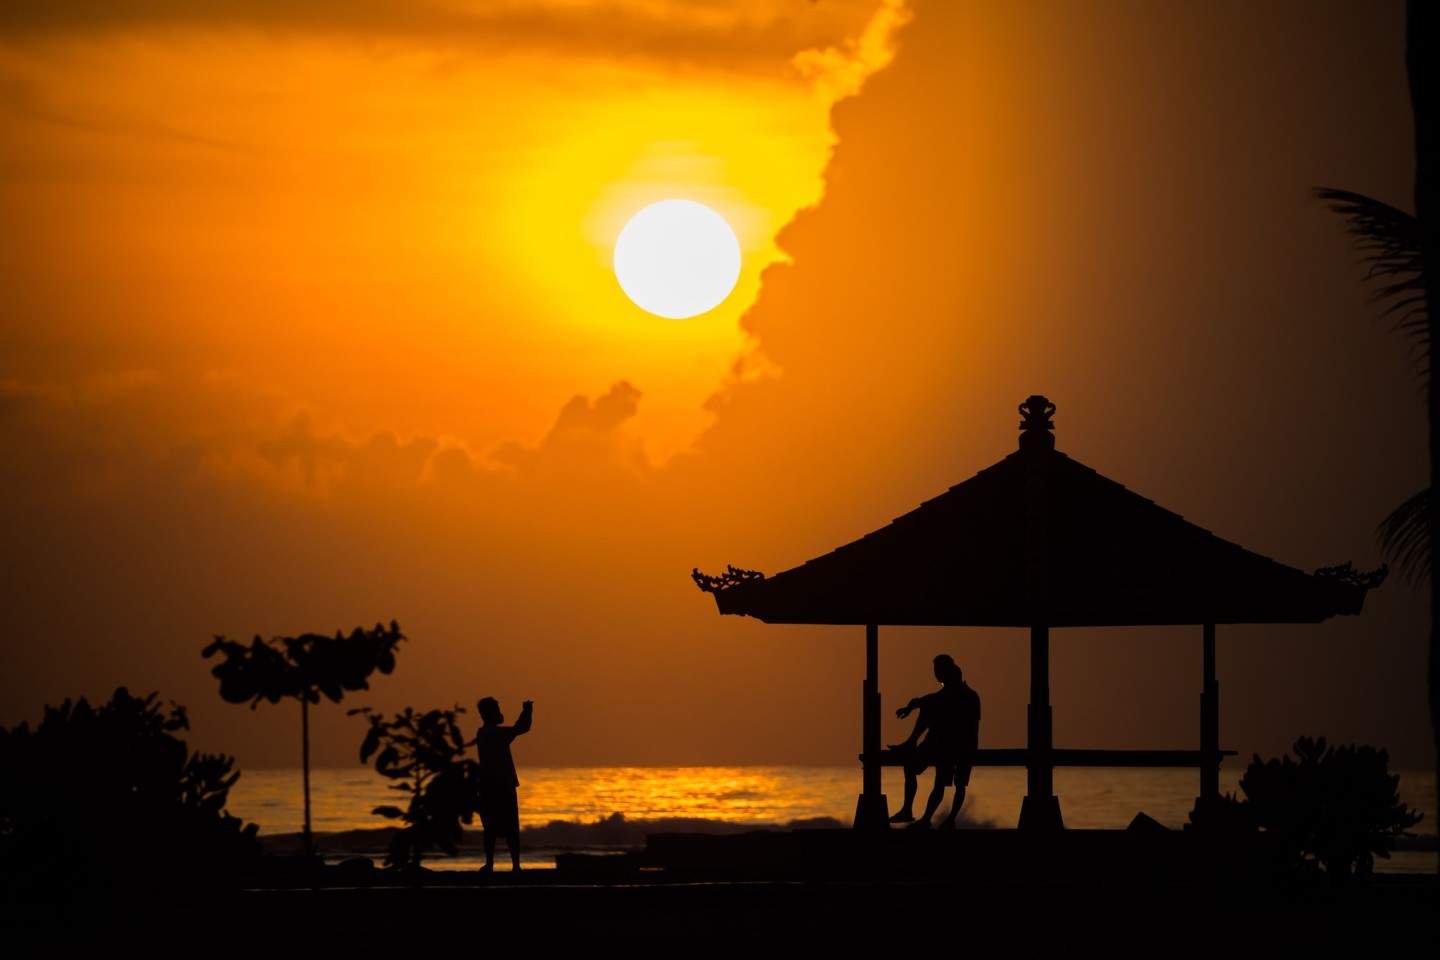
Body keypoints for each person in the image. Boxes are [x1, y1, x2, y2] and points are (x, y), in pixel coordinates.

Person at [887, 654, 980, 829]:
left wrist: (969, 749)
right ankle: (915, 813)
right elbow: (930, 699)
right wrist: (911, 707)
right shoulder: (946, 696)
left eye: (938, 671)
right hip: (940, 745)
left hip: (956, 747)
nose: (936, 674)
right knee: (922, 773)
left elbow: (971, 726)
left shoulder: (967, 696)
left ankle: (946, 819)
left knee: (953, 784)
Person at [473, 696, 533, 872]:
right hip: (503, 785)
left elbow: (517, 729)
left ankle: (490, 863)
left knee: (489, 827)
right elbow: (522, 728)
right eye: (497, 709)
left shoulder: (481, 732)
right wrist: (527, 711)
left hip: (487, 786)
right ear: (491, 713)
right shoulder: (496, 734)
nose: (500, 713)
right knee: (511, 827)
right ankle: (515, 865)